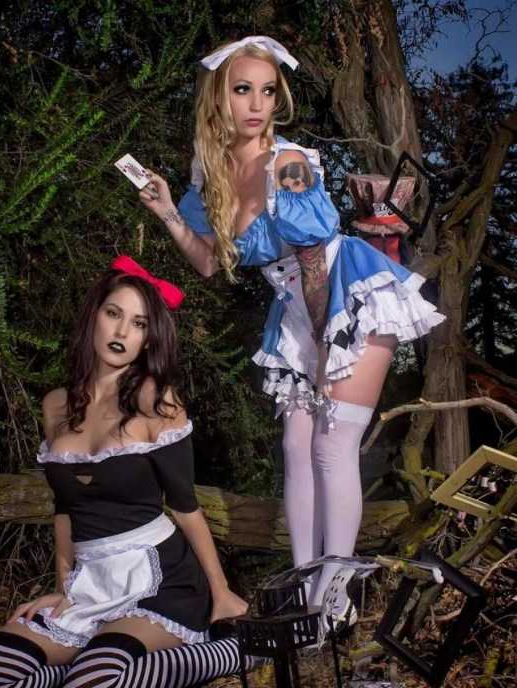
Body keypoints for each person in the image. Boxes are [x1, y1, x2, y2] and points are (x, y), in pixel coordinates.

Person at [139, 36, 445, 620]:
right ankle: (305, 595)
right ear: (219, 98)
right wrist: (169, 213)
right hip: (295, 304)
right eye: (243, 89)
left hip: (345, 292)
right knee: (295, 447)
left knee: (332, 446)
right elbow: (208, 262)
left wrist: (329, 340)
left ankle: (336, 598)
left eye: (267, 90)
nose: (257, 104)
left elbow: (313, 254)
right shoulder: (212, 175)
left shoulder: (289, 162)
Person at [0, 256, 250, 687]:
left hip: (159, 578)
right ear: (94, 317)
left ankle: (226, 652)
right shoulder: (55, 406)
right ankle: (72, 671)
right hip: (90, 581)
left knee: (96, 679)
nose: (122, 332)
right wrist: (64, 588)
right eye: (114, 314)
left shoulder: (158, 401)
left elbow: (186, 507)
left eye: (138, 324)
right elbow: (65, 511)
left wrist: (221, 592)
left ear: (148, 340)